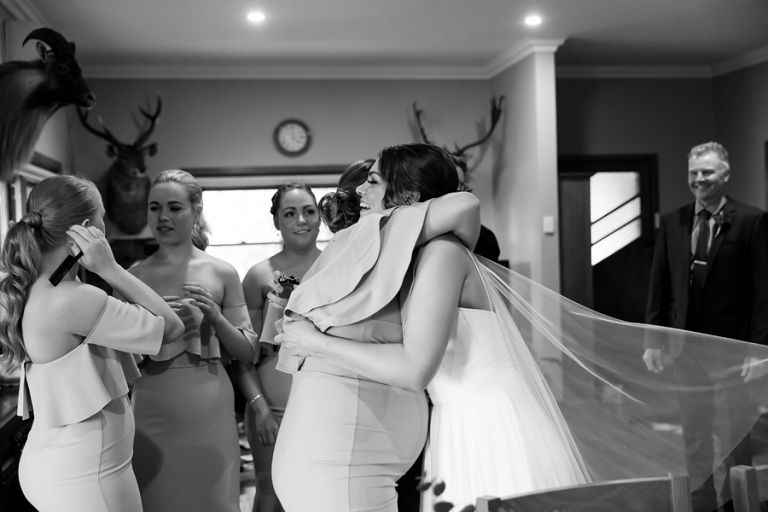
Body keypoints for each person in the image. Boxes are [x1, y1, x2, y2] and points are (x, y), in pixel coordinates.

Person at [271, 143, 589, 511]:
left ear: (407, 196)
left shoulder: (443, 252)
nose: (360, 191)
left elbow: (414, 368)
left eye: (373, 181)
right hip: (454, 422)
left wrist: (315, 342)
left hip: (488, 425)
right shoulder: (409, 256)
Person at [0, 175, 184, 512]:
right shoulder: (74, 299)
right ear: (87, 230)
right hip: (88, 478)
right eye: (103, 218)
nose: (106, 227)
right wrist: (110, 268)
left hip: (58, 466)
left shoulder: (30, 288)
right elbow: (171, 328)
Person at [643, 141, 768, 512]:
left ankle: (736, 503)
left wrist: (758, 351)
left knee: (736, 435)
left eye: (707, 172)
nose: (699, 179)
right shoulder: (672, 222)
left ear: (725, 175)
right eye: (694, 172)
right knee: (695, 433)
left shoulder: (752, 221)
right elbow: (660, 283)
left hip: (734, 350)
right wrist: (654, 340)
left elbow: (763, 291)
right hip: (687, 348)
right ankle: (702, 503)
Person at [129, 169, 258, 512]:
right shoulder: (132, 277)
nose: (163, 217)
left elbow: (248, 352)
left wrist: (215, 316)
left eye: (174, 207)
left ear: (196, 211)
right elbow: (116, 359)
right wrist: (152, 330)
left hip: (209, 406)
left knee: (214, 500)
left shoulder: (222, 272)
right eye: (155, 207)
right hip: (151, 407)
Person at [236, 181, 326, 512]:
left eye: (308, 211)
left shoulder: (340, 266)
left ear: (319, 217)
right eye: (290, 213)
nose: (301, 220)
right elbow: (243, 355)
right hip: (273, 408)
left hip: (327, 402)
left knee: (321, 493)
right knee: (271, 494)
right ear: (276, 221)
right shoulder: (258, 275)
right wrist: (259, 408)